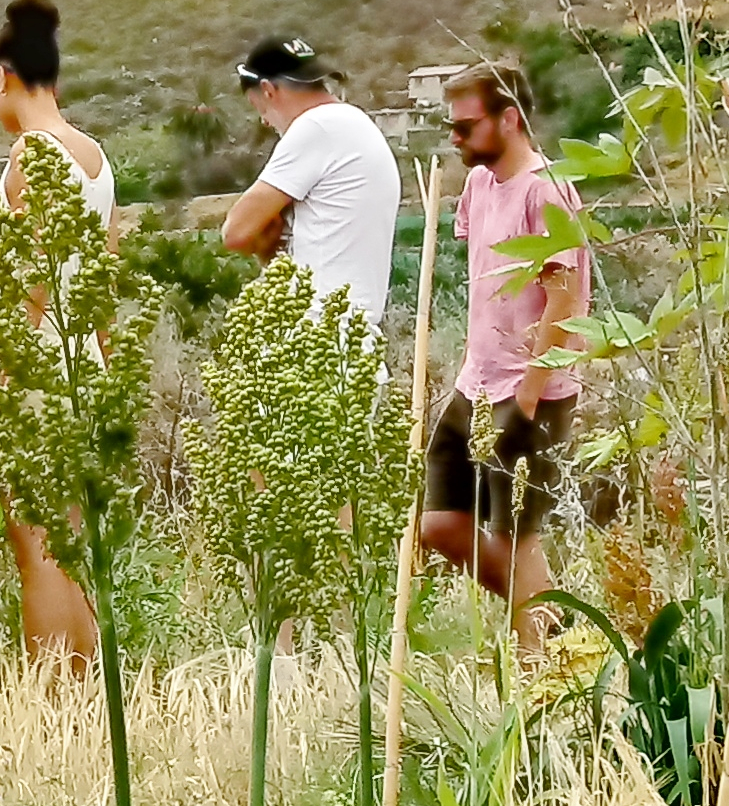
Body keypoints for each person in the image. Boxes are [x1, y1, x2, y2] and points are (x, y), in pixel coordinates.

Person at [0, 0, 115, 675]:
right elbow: (104, 274)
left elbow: (31, 278)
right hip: (82, 363)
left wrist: (5, 385)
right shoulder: (94, 156)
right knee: (74, 541)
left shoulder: (31, 156)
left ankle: (52, 693)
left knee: (37, 545)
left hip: (36, 365)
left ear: (4, 77)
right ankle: (88, 684)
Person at [419, 62, 589, 641]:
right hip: (477, 383)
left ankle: (539, 662)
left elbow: (563, 302)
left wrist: (529, 397)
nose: (455, 138)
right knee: (438, 524)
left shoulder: (548, 192)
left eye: (466, 127)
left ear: (509, 119)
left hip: (529, 389)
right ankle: (553, 614)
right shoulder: (478, 185)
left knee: (517, 535)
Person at [221, 34, 402, 330]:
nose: (266, 122)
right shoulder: (355, 123)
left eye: (259, 110)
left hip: (319, 331)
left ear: (268, 90)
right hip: (354, 331)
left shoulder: (316, 127)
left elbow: (236, 232)